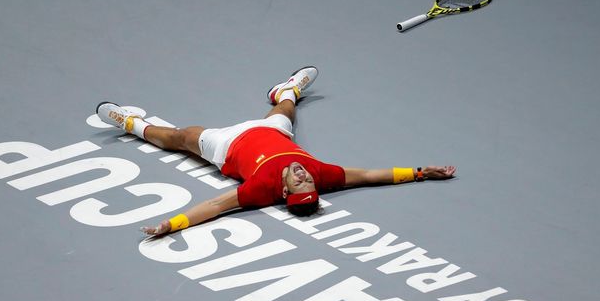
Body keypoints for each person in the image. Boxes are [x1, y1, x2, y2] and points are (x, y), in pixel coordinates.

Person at [95, 66, 456, 237]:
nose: (302, 174)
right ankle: (287, 91)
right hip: (272, 133)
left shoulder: (258, 191)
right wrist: (422, 171)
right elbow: (370, 176)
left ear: (284, 193)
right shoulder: (320, 176)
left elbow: (213, 207)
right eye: (305, 179)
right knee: (284, 113)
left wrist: (170, 224)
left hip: (228, 145)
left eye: (298, 182)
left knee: (180, 136)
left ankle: (130, 124)